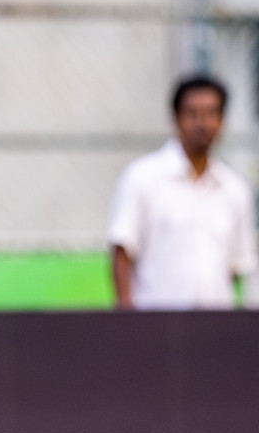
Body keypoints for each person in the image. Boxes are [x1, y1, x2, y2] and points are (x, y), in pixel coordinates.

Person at [108, 73, 258, 309]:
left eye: (211, 113)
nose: (202, 123)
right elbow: (122, 250)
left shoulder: (235, 190)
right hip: (156, 325)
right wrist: (128, 322)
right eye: (192, 113)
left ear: (222, 121)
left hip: (217, 328)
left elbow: (237, 267)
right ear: (175, 118)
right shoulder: (142, 178)